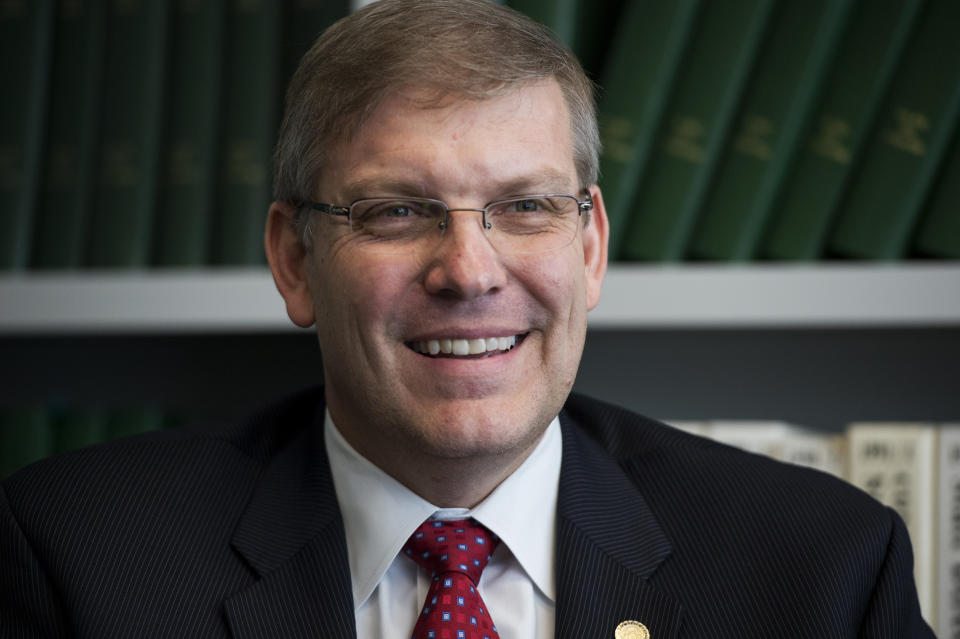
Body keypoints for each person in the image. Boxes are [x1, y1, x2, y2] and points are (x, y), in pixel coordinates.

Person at [0, 1, 935, 637]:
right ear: (294, 261)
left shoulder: (822, 571)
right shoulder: (80, 561)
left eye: (525, 206)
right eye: (395, 211)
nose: (468, 272)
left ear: (590, 246)